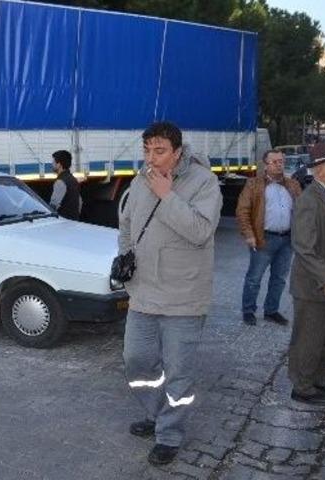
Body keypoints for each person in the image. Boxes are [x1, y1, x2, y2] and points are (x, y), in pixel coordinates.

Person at [118, 122, 222, 466]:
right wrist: (125, 258)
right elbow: (126, 224)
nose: (151, 158)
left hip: (184, 298)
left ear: (177, 152)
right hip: (143, 294)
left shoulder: (204, 182)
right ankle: (155, 412)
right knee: (137, 361)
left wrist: (167, 195)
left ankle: (170, 434)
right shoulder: (139, 179)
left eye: (159, 151)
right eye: (146, 150)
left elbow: (199, 231)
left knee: (179, 372)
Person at [287, 141, 325, 406]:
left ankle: (321, 378)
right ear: (320, 169)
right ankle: (302, 386)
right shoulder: (309, 200)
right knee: (309, 339)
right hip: (315, 286)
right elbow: (303, 246)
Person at [236, 150, 302, 326]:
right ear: (265, 164)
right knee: (254, 278)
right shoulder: (254, 184)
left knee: (279, 278)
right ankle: (248, 311)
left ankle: (271, 310)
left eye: (281, 161)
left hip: (287, 240)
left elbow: (301, 211)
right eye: (274, 162)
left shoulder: (293, 185)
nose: (279, 164)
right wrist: (249, 234)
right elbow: (242, 211)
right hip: (263, 239)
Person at [48, 149, 81, 220]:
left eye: (53, 162)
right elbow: (80, 202)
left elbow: (53, 206)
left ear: (59, 165)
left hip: (63, 223)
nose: (52, 164)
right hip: (74, 221)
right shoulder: (73, 179)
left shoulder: (60, 182)